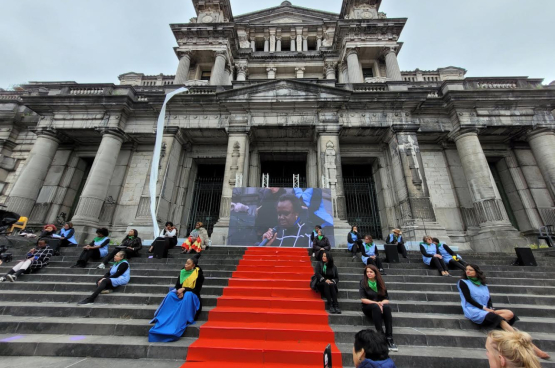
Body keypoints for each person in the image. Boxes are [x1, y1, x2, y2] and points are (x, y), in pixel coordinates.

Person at [458, 264, 550, 360]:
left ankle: (497, 325)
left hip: (486, 309)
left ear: (476, 272)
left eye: (470, 270)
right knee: (499, 318)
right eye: (466, 269)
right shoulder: (463, 282)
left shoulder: (483, 285)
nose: (467, 271)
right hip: (473, 309)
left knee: (509, 314)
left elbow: (488, 299)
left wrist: (491, 308)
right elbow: (468, 299)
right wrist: (485, 308)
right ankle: (532, 347)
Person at [149, 254, 204, 342]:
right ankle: (164, 317)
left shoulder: (199, 275)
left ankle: (181, 320)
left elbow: (196, 290)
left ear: (193, 266)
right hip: (181, 293)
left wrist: (184, 290)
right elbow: (177, 285)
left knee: (188, 295)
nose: (186, 265)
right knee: (171, 295)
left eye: (188, 264)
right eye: (186, 263)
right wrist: (180, 291)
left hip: (192, 295)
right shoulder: (182, 272)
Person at [359, 265, 397, 352]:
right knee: (376, 306)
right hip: (368, 308)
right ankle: (381, 336)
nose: (368, 273)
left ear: (375, 273)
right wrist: (377, 303)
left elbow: (386, 299)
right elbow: (363, 299)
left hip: (381, 307)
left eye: (371, 272)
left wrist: (381, 303)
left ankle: (389, 338)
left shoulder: (380, 282)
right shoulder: (363, 282)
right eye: (367, 272)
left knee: (387, 307)